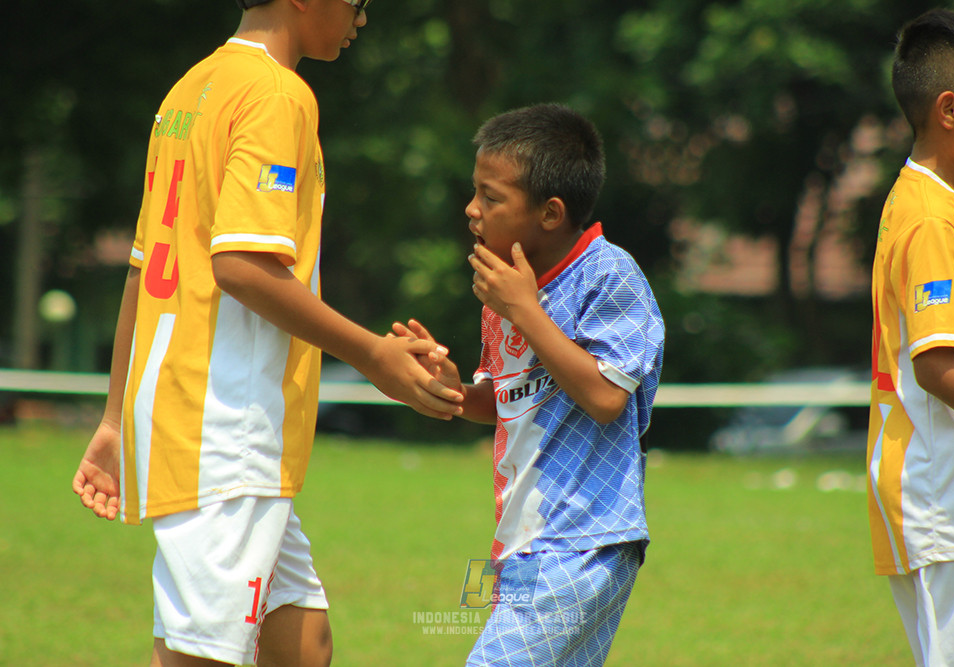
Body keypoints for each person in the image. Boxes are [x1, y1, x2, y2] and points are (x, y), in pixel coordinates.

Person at [71, 1, 463, 665]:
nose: (362, 17)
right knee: (205, 653)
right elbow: (242, 266)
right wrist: (373, 354)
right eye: (359, 2)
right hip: (224, 423)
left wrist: (115, 418)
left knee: (304, 643)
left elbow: (145, 268)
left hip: (186, 413)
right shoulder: (279, 94)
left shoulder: (189, 88)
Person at [394, 103, 664, 666]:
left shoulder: (608, 274)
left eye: (491, 198)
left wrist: (524, 310)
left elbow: (607, 397)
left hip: (584, 538)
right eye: (475, 192)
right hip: (523, 542)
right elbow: (507, 400)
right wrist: (451, 391)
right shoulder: (509, 285)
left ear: (550, 212)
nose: (471, 210)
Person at [868, 8, 954, 666]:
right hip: (947, 500)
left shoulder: (952, 203)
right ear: (950, 109)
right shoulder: (928, 216)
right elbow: (936, 365)